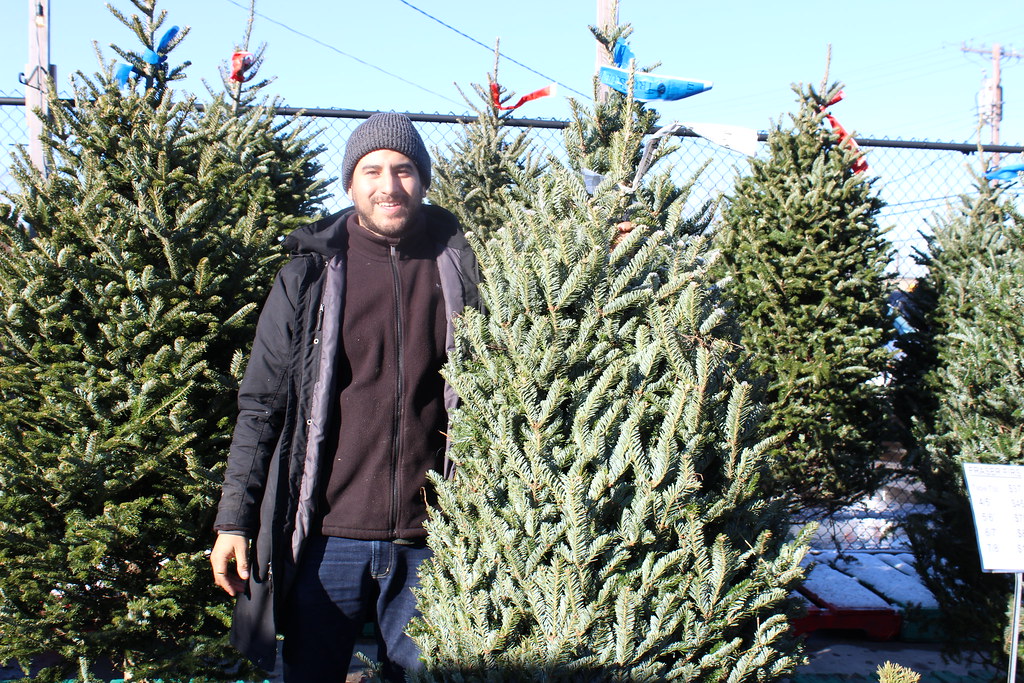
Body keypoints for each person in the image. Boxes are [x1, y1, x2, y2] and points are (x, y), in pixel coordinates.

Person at [210, 112, 480, 681]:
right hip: (328, 540)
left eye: (404, 170)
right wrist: (233, 521)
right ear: (350, 183)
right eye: (372, 170)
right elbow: (262, 407)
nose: (389, 185)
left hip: (433, 538)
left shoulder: (462, 271)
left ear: (424, 180)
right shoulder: (308, 278)